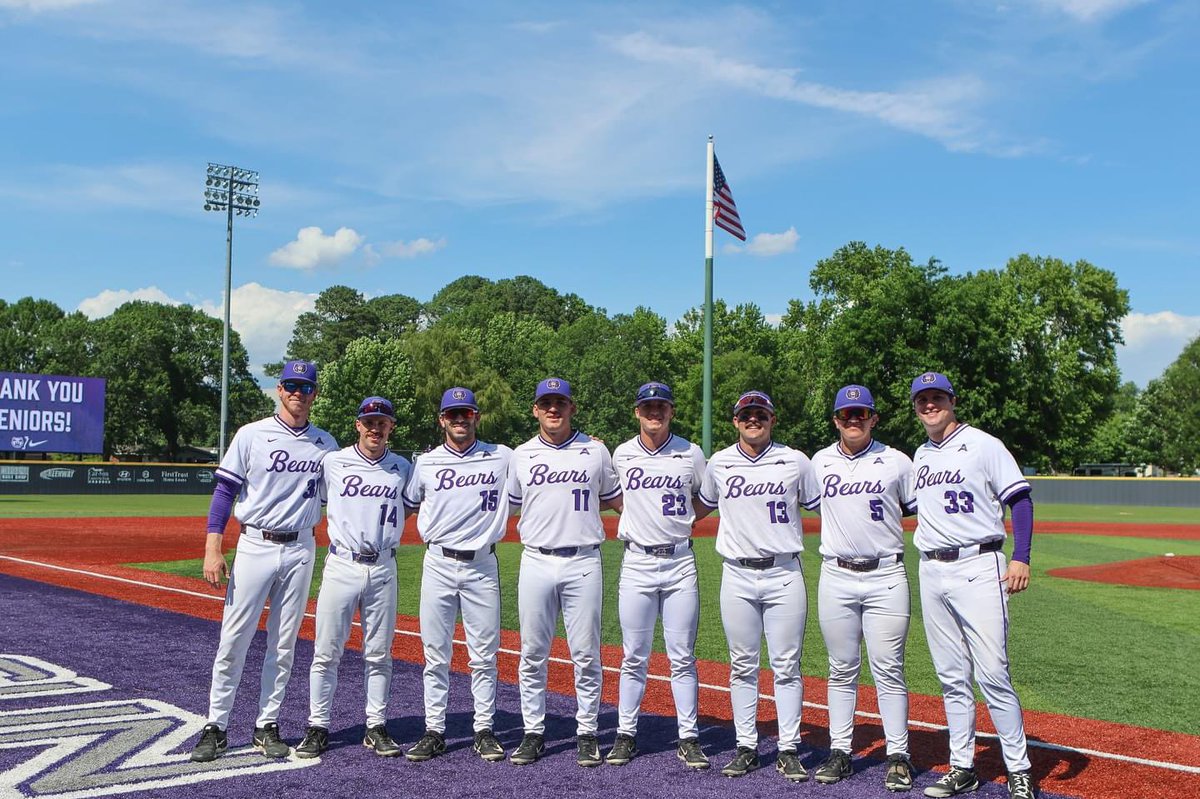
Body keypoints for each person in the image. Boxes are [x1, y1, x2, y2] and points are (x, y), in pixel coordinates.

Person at [190, 360, 338, 762]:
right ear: (279, 389)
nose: (298, 393)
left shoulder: (327, 445)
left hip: (300, 548)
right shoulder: (252, 434)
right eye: (291, 385)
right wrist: (212, 547)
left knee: (284, 642)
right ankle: (216, 726)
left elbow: (339, 500)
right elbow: (224, 493)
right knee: (233, 639)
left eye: (306, 387)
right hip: (255, 544)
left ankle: (266, 724)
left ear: (314, 394)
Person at [909, 372, 1036, 799]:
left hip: (979, 565)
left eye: (937, 397)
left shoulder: (984, 444)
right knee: (951, 676)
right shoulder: (920, 455)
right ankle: (962, 766)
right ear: (915, 407)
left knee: (993, 673)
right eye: (922, 399)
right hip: (932, 570)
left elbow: (1019, 499)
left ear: (952, 400)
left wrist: (1022, 556)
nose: (930, 404)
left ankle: (1019, 769)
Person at [696, 390, 819, 782]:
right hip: (737, 574)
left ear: (772, 419)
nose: (753, 420)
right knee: (742, 665)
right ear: (735, 421)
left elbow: (825, 504)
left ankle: (788, 748)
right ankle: (746, 746)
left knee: (786, 665)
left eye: (760, 414)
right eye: (746, 414)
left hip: (784, 573)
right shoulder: (719, 462)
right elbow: (698, 506)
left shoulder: (796, 460)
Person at [505, 377, 622, 768]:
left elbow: (616, 499)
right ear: (535, 409)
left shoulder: (596, 451)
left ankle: (587, 732)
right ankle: (534, 732)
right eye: (546, 403)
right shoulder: (520, 455)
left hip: (583, 560)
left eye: (560, 403)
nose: (553, 409)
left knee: (586, 653)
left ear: (572, 407)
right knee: (532, 653)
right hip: (536, 559)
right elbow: (509, 506)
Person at [809, 385, 916, 791]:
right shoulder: (818, 462)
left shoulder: (897, 462)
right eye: (846, 415)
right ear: (836, 420)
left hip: (886, 575)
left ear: (874, 418)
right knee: (840, 669)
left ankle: (898, 755)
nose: (853, 420)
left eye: (861, 414)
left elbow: (922, 506)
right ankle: (840, 751)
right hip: (836, 575)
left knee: (889, 669)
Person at [293, 396, 411, 760]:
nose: (376, 428)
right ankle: (318, 726)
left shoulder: (403, 468)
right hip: (342, 564)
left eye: (382, 422)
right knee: (326, 651)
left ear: (391, 427)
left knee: (379, 653)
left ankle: (375, 726)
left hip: (383, 566)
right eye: (369, 421)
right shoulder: (333, 462)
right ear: (358, 425)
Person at [401, 387, 513, 763]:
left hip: (482, 564)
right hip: (438, 563)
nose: (460, 419)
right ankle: (435, 730)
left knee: (484, 655)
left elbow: (543, 453)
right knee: (435, 654)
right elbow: (408, 504)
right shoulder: (427, 462)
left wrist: (590, 441)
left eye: (466, 413)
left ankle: (484, 729)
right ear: (442, 420)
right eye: (453, 414)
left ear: (477, 417)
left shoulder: (502, 457)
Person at [607, 382, 712, 770]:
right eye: (648, 406)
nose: (655, 412)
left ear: (671, 411)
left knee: (682, 656)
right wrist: (636, 516)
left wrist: (682, 520)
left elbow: (706, 498)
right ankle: (625, 734)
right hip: (636, 562)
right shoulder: (621, 453)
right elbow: (610, 494)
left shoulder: (691, 452)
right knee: (634, 655)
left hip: (679, 562)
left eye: (661, 407)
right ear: (637, 411)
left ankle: (688, 737)